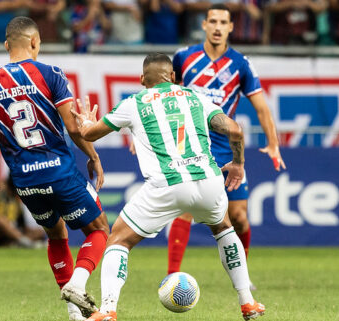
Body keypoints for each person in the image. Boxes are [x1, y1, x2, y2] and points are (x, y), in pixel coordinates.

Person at [72, 53, 265, 321]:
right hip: (209, 180)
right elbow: (235, 131)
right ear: (173, 77)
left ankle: (107, 310)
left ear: (142, 80)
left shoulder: (134, 102)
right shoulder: (195, 97)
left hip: (168, 184)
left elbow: (90, 134)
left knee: (118, 239)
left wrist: (85, 123)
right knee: (223, 228)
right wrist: (238, 163)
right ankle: (248, 302)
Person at [0, 16, 110, 321]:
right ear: (34, 42)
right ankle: (78, 285)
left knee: (55, 234)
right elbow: (72, 127)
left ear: (6, 45)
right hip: (59, 172)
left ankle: (74, 314)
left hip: (24, 181)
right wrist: (93, 156)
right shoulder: (51, 74)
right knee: (99, 230)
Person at [170, 3, 286, 284]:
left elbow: (261, 108)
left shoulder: (241, 64)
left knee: (239, 217)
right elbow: (160, 94)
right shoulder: (184, 58)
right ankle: (172, 278)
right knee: (186, 209)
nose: (218, 27)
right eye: (213, 21)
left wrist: (273, 144)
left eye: (224, 22)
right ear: (204, 25)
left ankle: (242, 276)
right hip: (192, 145)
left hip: (226, 148)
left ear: (231, 27)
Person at [0, 175, 46, 248]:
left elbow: (22, 224)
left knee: (39, 231)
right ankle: (24, 242)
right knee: (1, 220)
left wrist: (34, 232)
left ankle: (18, 242)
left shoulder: (15, 201)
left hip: (9, 235)